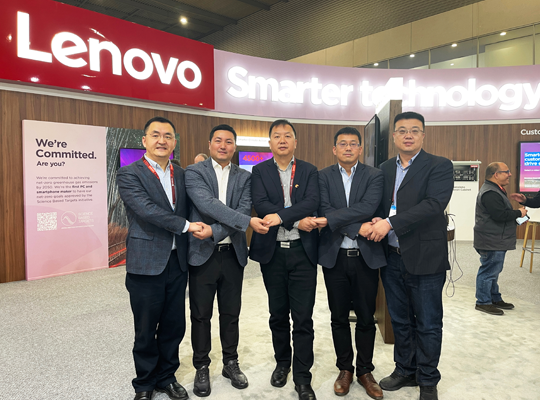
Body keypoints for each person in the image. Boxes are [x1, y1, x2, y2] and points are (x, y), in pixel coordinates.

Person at [362, 111, 453, 400]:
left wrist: (389, 223)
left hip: (425, 256)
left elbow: (433, 204)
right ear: (394, 137)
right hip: (391, 257)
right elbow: (380, 204)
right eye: (402, 130)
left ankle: (427, 378)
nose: (408, 135)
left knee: (428, 322)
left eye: (414, 130)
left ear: (423, 135)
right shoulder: (385, 168)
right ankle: (405, 369)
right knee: (400, 320)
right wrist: (374, 220)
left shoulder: (439, 165)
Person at [117, 116, 208, 400]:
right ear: (144, 140)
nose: (162, 140)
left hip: (177, 261)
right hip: (145, 262)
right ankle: (144, 383)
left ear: (174, 142)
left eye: (168, 136)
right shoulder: (129, 174)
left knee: (173, 325)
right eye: (155, 135)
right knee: (145, 328)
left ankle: (167, 377)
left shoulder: (181, 174)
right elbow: (146, 210)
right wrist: (186, 226)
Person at [185, 124, 269, 397]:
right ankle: (201, 366)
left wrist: (214, 230)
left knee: (231, 313)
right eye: (218, 141)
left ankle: (230, 363)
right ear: (210, 144)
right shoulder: (194, 172)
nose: (223, 145)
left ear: (235, 146)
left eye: (229, 141)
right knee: (200, 315)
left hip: (233, 254)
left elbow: (243, 208)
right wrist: (243, 222)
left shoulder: (245, 177)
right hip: (202, 254)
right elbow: (207, 204)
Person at [249, 119, 320, 400]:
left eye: (287, 136)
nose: (282, 140)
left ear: (295, 142)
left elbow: (311, 202)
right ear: (270, 143)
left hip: (303, 252)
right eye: (277, 136)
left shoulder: (309, 170)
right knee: (278, 314)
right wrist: (294, 220)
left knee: (303, 317)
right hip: (273, 252)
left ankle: (303, 376)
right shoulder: (259, 170)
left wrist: (280, 217)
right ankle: (282, 363)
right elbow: (261, 204)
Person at [314, 127, 385, 399]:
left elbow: (368, 207)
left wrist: (337, 221)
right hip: (335, 257)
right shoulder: (322, 176)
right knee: (338, 317)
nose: (347, 148)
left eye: (353, 144)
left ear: (360, 149)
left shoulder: (374, 175)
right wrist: (356, 227)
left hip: (366, 257)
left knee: (366, 317)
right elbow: (324, 210)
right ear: (334, 149)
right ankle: (345, 369)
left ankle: (365, 371)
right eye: (342, 144)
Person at [474, 162, 526, 315]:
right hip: (491, 240)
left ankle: (494, 298)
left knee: (493, 270)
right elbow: (500, 215)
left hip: (495, 239)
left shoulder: (495, 190)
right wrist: (519, 213)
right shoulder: (490, 193)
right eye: (506, 171)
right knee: (489, 271)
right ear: (496, 175)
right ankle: (483, 302)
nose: (510, 174)